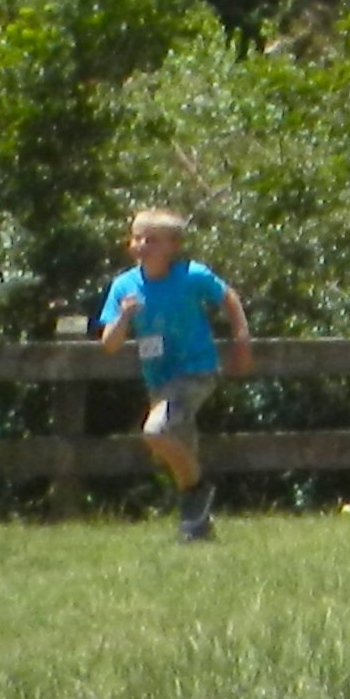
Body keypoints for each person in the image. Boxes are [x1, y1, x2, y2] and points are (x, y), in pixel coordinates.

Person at [95, 211, 251, 545]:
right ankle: (197, 524)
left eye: (151, 240)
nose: (141, 245)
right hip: (158, 378)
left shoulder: (192, 276)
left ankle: (199, 490)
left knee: (155, 431)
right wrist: (124, 316)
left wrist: (240, 339)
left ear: (173, 246)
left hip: (196, 370)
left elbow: (228, 297)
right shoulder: (124, 286)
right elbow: (109, 344)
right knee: (181, 447)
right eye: (137, 237)